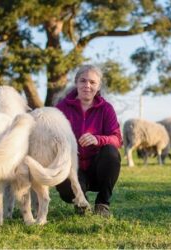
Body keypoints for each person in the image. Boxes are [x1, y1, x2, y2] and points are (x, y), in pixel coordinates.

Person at [55, 64, 122, 217]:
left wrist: (98, 139)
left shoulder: (106, 109)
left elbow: (117, 139)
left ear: (98, 86)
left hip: (98, 169)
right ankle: (81, 203)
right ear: (76, 82)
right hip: (73, 168)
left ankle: (102, 204)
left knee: (111, 151)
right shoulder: (61, 108)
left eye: (92, 82)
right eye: (83, 81)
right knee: (65, 182)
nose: (87, 85)